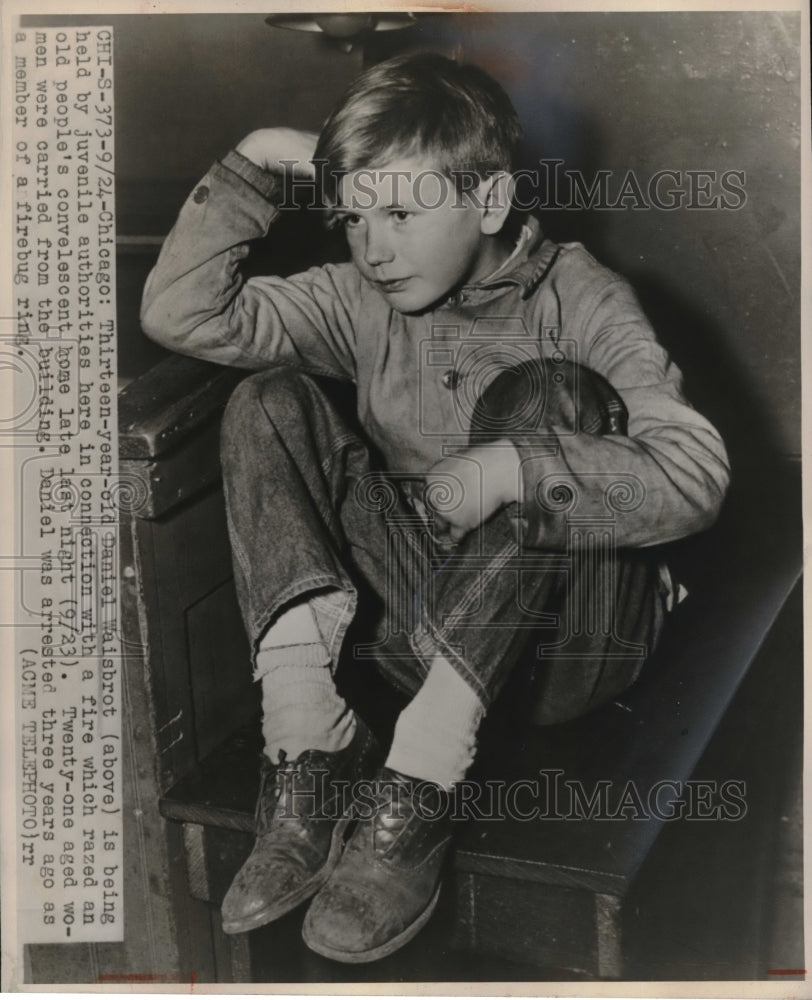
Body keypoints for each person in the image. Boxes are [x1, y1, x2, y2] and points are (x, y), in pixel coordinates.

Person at [140, 52, 729, 964]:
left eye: (403, 214)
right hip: (422, 627)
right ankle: (311, 743)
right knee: (267, 401)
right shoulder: (361, 296)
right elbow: (184, 316)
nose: (372, 247)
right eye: (353, 215)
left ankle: (419, 786)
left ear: (489, 203)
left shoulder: (583, 297)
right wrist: (255, 161)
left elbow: (696, 473)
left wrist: (514, 470)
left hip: (568, 648)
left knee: (547, 394)